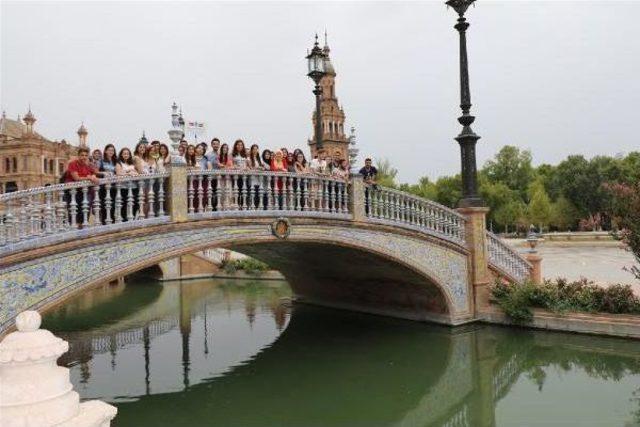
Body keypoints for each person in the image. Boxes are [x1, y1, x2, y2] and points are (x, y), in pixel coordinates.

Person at [64, 147, 100, 227]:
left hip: (83, 191)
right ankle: (74, 232)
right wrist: (89, 177)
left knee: (84, 211)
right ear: (78, 156)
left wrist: (93, 176)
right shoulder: (72, 164)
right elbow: (76, 178)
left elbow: (95, 173)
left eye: (86, 155)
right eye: (82, 155)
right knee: (74, 211)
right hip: (73, 192)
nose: (84, 157)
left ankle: (82, 229)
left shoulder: (87, 165)